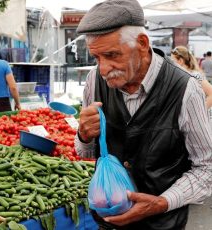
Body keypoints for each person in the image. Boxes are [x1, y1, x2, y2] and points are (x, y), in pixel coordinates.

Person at [74, 0, 212, 229]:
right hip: (109, 221)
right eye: (97, 58)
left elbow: (207, 168)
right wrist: (83, 135)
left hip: (162, 223)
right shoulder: (94, 81)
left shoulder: (184, 89)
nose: (104, 69)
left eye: (111, 55)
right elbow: (86, 153)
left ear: (142, 43)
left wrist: (161, 202)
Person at [171, 46, 212, 111]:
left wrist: (201, 111)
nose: (171, 63)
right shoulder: (181, 75)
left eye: (173, 60)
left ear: (180, 61)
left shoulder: (195, 75)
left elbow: (211, 93)